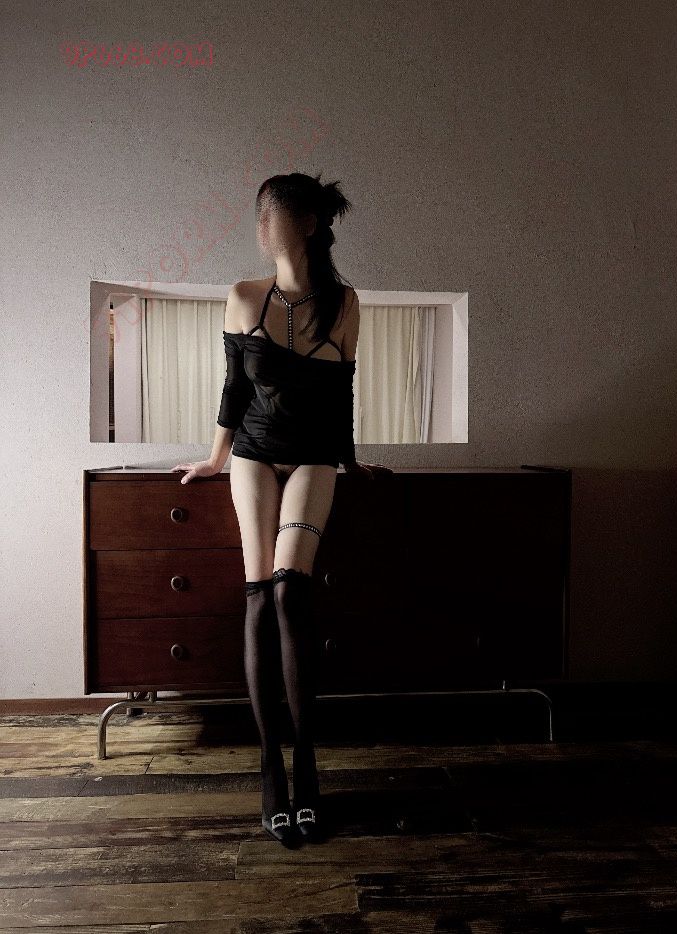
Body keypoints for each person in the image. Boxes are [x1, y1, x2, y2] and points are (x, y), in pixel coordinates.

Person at [171, 172, 390, 847]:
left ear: (308, 225)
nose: (261, 228)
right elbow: (233, 389)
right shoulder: (244, 296)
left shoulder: (345, 303)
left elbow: (343, 393)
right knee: (261, 593)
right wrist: (214, 458)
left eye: (271, 216)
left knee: (294, 591)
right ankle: (270, 766)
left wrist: (351, 460)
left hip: (315, 458)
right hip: (254, 457)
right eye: (260, 216)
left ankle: (306, 766)